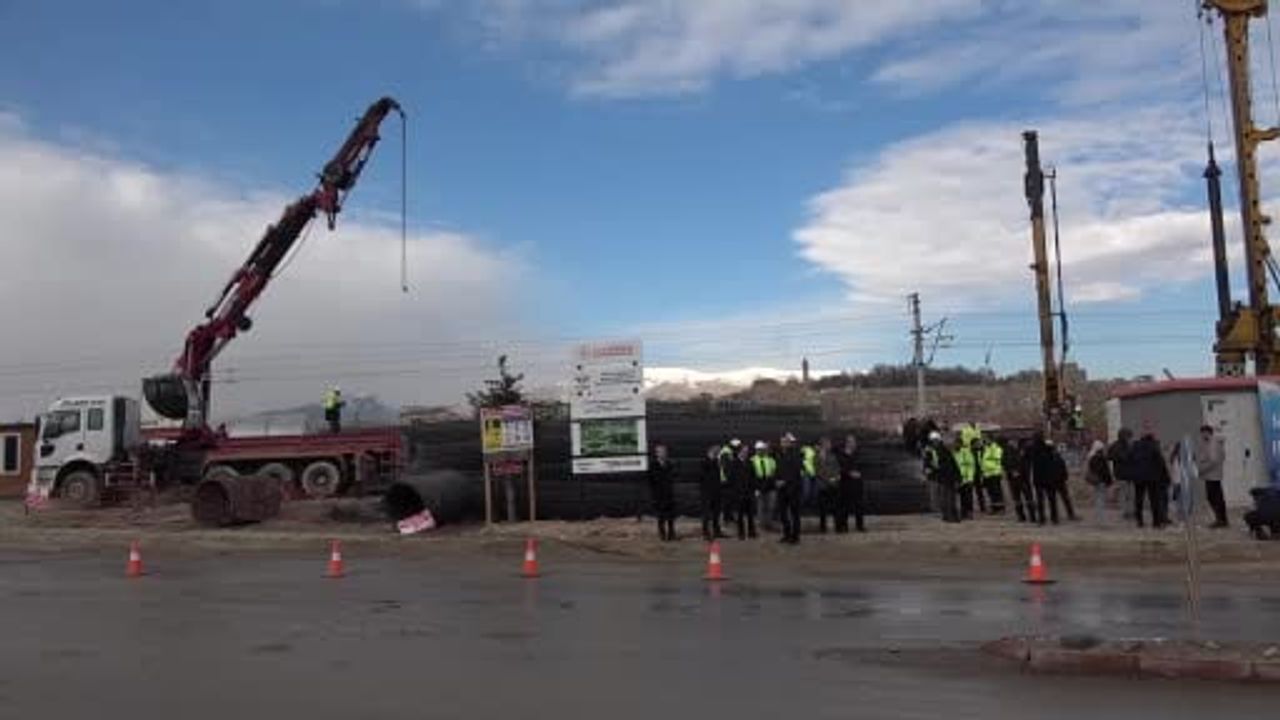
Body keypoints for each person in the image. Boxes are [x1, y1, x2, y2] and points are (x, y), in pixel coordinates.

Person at [1131, 430, 1171, 529]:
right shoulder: (1154, 446)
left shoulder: (1135, 446)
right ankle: (1156, 523)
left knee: (1138, 499)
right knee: (1154, 500)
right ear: (1152, 438)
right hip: (1152, 478)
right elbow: (1161, 463)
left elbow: (1130, 460)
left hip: (1138, 477)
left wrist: (1132, 474)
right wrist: (1166, 477)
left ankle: (1139, 521)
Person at [1196, 425, 1230, 528]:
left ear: (1207, 432)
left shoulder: (1213, 443)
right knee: (1218, 498)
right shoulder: (1214, 443)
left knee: (1213, 498)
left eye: (1202, 433)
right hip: (1214, 475)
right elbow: (1222, 457)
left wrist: (1201, 470)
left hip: (1212, 476)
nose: (1201, 436)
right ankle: (1222, 519)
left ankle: (1220, 520)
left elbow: (1213, 461)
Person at [1029, 434, 1066, 525]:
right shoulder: (1049, 450)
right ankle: (1054, 518)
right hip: (1050, 478)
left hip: (1038, 479)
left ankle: (1042, 519)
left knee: (1040, 500)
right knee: (1052, 499)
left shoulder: (1033, 451)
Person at [924, 431, 960, 523]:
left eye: (935, 440)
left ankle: (950, 516)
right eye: (933, 441)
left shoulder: (939, 450)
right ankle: (949, 516)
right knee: (946, 497)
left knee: (948, 497)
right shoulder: (935, 451)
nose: (934, 442)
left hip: (945, 476)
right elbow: (929, 464)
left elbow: (951, 464)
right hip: (943, 477)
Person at [776, 433, 804, 544]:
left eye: (785, 442)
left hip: (793, 489)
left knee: (794, 514)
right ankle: (787, 534)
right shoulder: (780, 455)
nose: (783, 444)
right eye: (782, 442)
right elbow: (778, 470)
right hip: (782, 490)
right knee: (783, 514)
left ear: (790, 443)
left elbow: (795, 472)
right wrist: (776, 480)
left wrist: (784, 481)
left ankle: (795, 536)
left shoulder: (796, 454)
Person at [835, 433, 865, 532]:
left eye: (854, 442)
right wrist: (849, 473)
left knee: (859, 505)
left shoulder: (858, 453)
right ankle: (843, 526)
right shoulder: (841, 454)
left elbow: (861, 465)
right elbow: (839, 468)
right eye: (850, 442)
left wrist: (858, 473)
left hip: (857, 483)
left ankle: (859, 526)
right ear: (847, 443)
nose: (853, 444)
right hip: (845, 483)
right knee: (844, 506)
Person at [648, 442, 677, 541]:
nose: (663, 453)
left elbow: (673, 477)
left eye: (665, 452)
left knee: (671, 516)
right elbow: (650, 480)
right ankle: (662, 533)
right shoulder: (653, 465)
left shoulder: (670, 464)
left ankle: (671, 533)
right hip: (659, 495)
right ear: (657, 453)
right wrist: (654, 494)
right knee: (661, 516)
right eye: (661, 452)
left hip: (669, 493)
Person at [728, 442, 757, 540]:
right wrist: (735, 490)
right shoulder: (734, 463)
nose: (746, 453)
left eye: (747, 452)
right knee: (740, 514)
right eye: (744, 451)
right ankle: (741, 533)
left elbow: (753, 477)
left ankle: (751, 532)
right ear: (739, 452)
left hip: (749, 492)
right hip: (738, 492)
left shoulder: (750, 462)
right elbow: (730, 478)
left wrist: (754, 489)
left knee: (750, 514)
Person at [1109, 429, 1137, 521]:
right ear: (1125, 436)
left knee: (1129, 494)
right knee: (1126, 494)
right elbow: (1123, 457)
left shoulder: (1116, 445)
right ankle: (1126, 512)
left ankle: (1129, 511)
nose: (1131, 439)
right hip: (1123, 473)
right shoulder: (1120, 446)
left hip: (1125, 473)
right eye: (1130, 437)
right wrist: (1130, 450)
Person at [699, 445, 727, 541]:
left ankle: (717, 531)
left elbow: (720, 476)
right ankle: (705, 533)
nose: (718, 454)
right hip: (707, 493)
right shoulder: (704, 462)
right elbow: (702, 478)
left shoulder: (717, 462)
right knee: (706, 514)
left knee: (716, 513)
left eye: (718, 452)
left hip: (717, 491)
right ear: (711, 451)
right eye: (717, 452)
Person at [1004, 438, 1035, 523]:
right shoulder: (1009, 452)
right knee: (1017, 498)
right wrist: (1011, 471)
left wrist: (1018, 472)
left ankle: (1032, 516)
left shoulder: (1027, 453)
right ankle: (1021, 516)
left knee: (1028, 498)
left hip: (1024, 479)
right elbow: (1005, 463)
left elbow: (1027, 466)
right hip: (1014, 479)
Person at [751, 441, 778, 532]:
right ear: (756, 450)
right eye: (758, 450)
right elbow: (751, 475)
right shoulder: (752, 460)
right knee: (760, 506)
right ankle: (761, 524)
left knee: (770, 506)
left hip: (770, 485)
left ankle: (768, 523)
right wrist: (755, 488)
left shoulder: (770, 460)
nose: (760, 451)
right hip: (759, 485)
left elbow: (774, 472)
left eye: (762, 450)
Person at [815, 436, 841, 533]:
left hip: (834, 484)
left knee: (835, 507)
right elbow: (818, 471)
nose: (829, 445)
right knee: (823, 508)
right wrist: (828, 479)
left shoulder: (832, 456)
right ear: (823, 445)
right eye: (827, 443)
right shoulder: (817, 456)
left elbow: (837, 467)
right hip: (823, 485)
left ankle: (838, 527)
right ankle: (823, 528)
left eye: (829, 443)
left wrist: (837, 476)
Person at [1085, 439, 1113, 524]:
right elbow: (1105, 471)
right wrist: (1109, 481)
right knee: (1101, 500)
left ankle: (1098, 517)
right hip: (1102, 481)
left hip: (1095, 481)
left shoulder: (1091, 457)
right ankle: (1101, 519)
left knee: (1097, 499)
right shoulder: (1101, 458)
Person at [979, 434, 1007, 515]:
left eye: (986, 439)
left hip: (995, 473)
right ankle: (994, 508)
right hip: (987, 474)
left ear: (991, 439)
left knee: (997, 492)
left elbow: (996, 460)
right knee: (990, 492)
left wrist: (987, 465)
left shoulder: (996, 448)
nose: (984, 441)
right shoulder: (986, 448)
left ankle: (1001, 508)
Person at [955, 437, 978, 520]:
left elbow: (971, 466)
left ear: (960, 444)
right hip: (959, 479)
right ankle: (963, 512)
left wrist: (970, 478)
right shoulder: (954, 453)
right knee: (962, 497)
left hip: (967, 479)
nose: (956, 445)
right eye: (955, 443)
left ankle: (969, 512)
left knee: (968, 497)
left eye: (957, 443)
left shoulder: (966, 452)